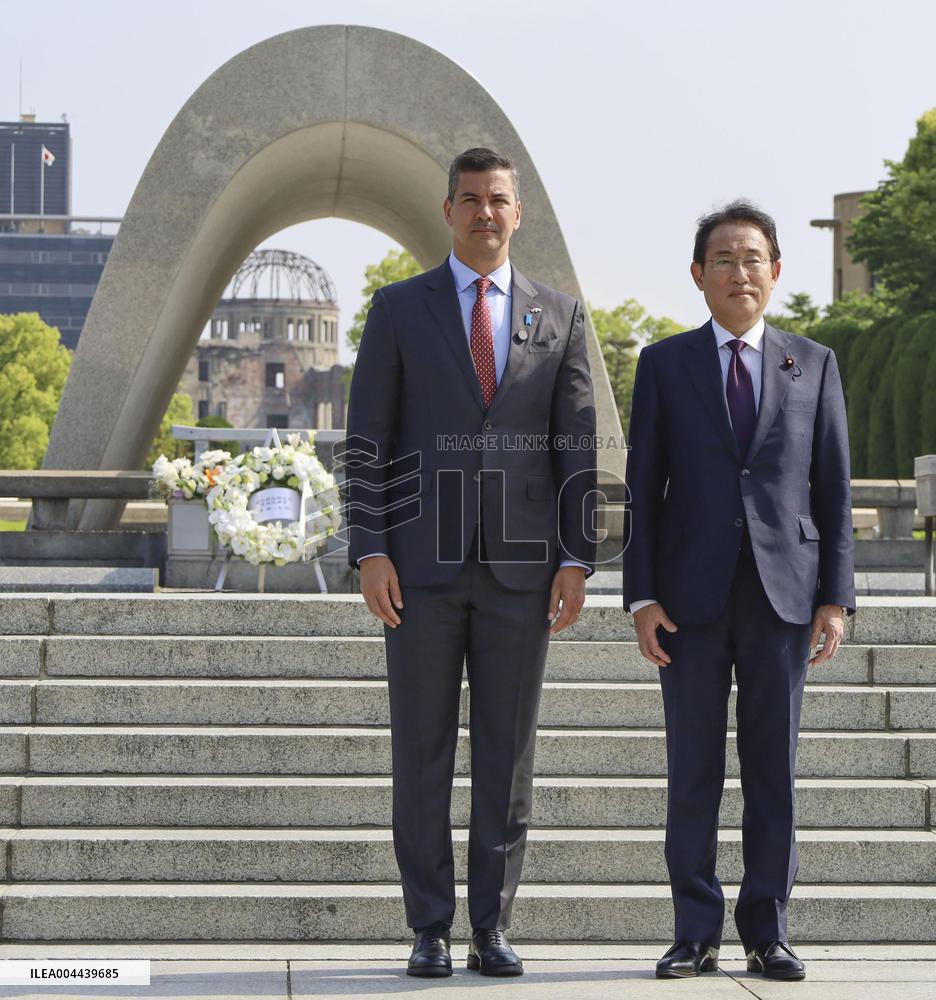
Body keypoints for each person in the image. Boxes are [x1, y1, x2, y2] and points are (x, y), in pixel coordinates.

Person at [345, 147, 597, 978]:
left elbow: (577, 448)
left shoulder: (560, 317)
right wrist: (370, 547)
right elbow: (368, 442)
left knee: (506, 752)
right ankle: (429, 926)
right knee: (420, 751)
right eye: (471, 200)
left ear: (517, 212)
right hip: (418, 568)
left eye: (499, 200)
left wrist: (576, 559)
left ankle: (492, 925)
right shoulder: (399, 309)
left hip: (524, 572)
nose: (486, 212)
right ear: (447, 210)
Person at [623, 201, 855, 982]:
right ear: (698, 275)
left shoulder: (813, 363)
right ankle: (694, 931)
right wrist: (641, 597)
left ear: (776, 271)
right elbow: (642, 488)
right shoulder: (663, 363)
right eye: (722, 259)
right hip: (688, 601)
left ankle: (768, 929)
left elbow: (832, 486)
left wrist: (836, 597)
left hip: (784, 596)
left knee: (773, 771)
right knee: (691, 768)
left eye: (753, 258)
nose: (739, 272)